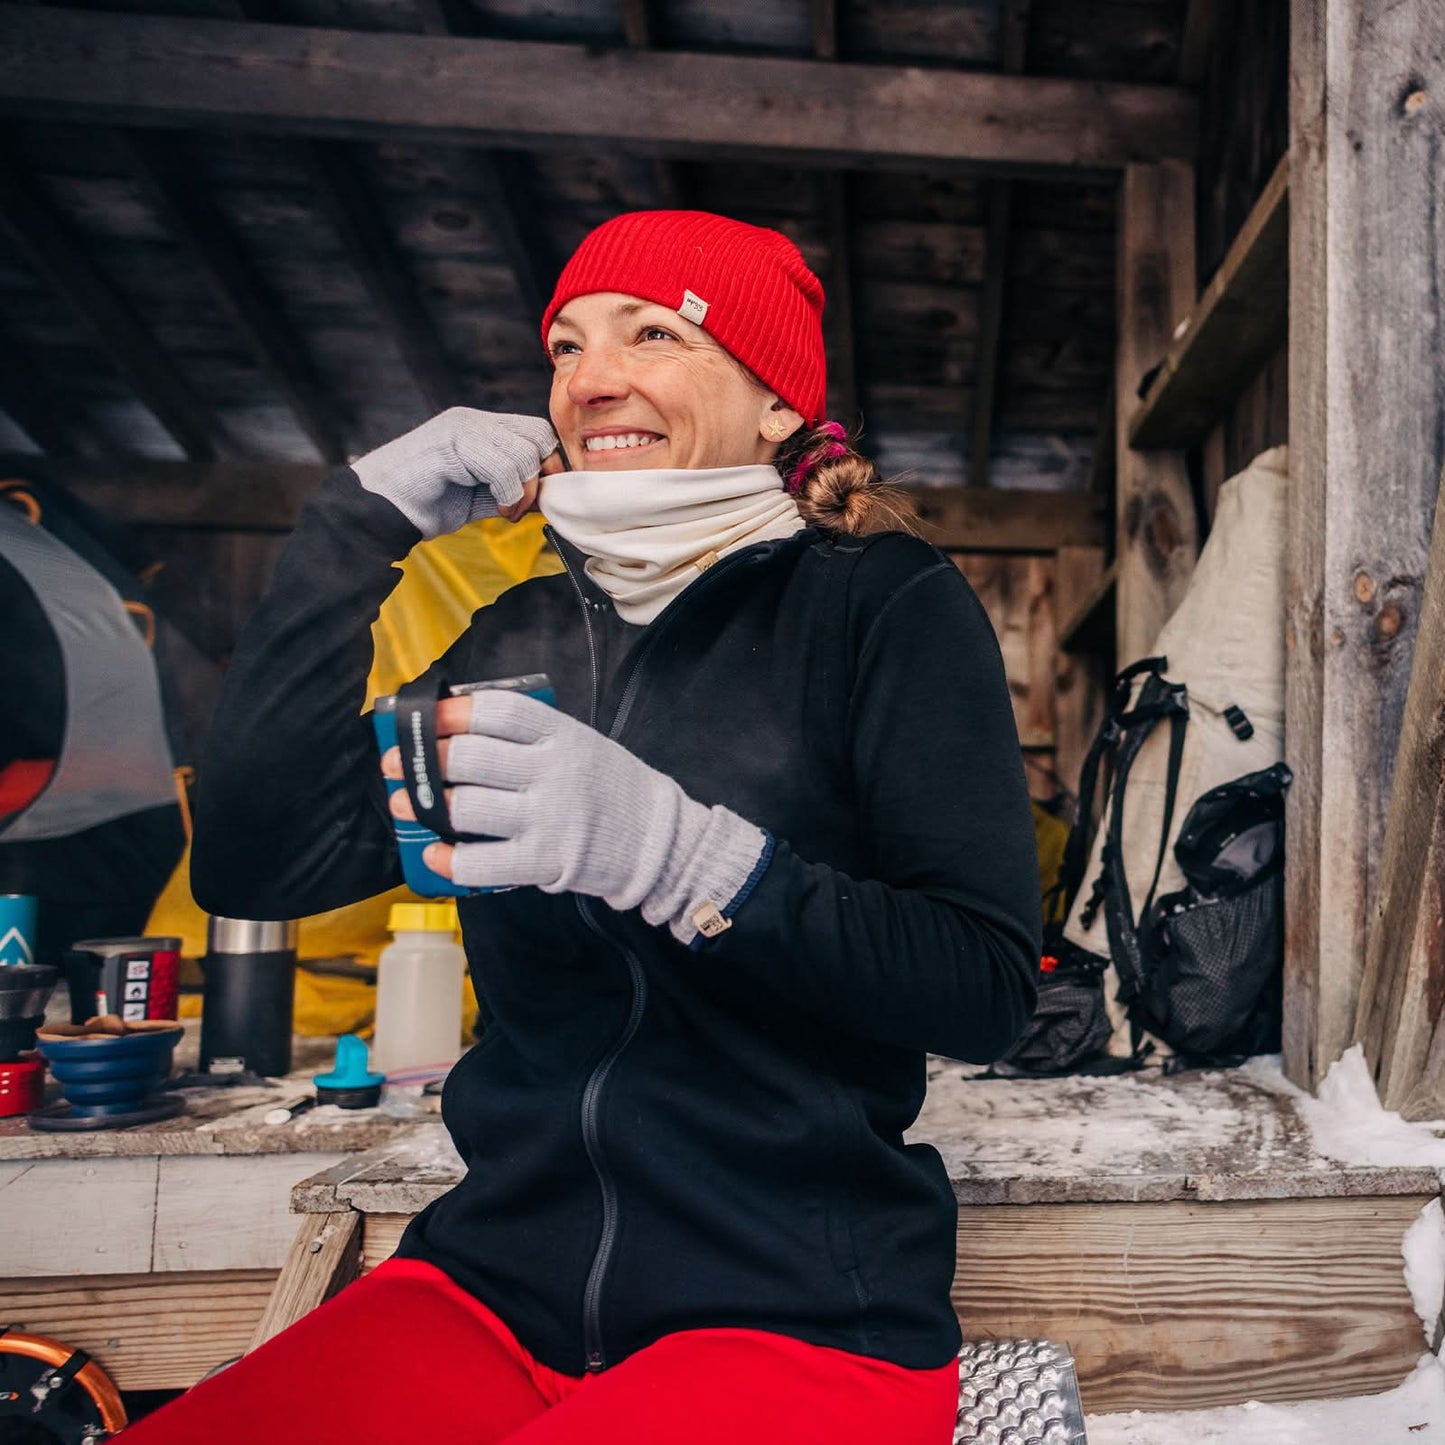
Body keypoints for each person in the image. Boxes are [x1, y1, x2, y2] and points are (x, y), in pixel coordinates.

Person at [132, 211, 1040, 1444]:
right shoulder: (514, 630)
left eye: (653, 332)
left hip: (800, 1311)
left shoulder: (883, 608)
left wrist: (682, 860)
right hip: (494, 1288)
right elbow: (261, 858)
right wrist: (354, 530)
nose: (589, 377)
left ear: (776, 405)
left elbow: (981, 985)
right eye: (564, 346)